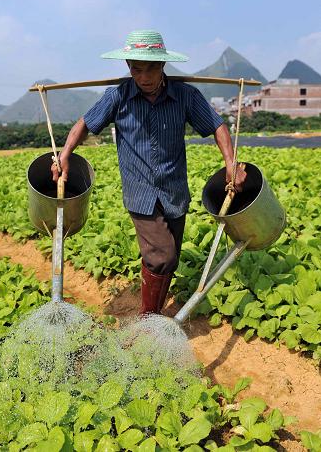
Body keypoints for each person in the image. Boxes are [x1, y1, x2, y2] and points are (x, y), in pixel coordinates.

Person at [52, 30, 246, 315]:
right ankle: (149, 317)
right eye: (137, 69)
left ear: (163, 66)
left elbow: (217, 125)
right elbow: (85, 123)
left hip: (174, 190)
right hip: (140, 191)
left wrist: (230, 163)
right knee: (162, 254)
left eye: (151, 68)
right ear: (128, 67)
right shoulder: (117, 96)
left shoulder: (184, 96)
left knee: (168, 258)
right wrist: (64, 155)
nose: (144, 77)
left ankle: (151, 305)